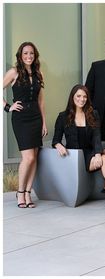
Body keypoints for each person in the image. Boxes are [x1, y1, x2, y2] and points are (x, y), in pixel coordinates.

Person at [52, 84, 105, 210]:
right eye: (78, 96)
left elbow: (97, 136)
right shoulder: (63, 116)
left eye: (84, 97)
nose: (82, 99)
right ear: (72, 97)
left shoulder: (93, 114)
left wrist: (98, 153)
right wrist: (58, 145)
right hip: (76, 156)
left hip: (90, 151)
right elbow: (55, 139)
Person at [3, 41, 47, 208]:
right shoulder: (14, 72)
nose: (29, 56)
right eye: (25, 53)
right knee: (27, 158)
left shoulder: (38, 73)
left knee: (34, 157)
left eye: (31, 53)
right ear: (20, 56)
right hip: (21, 119)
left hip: (36, 117)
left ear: (34, 56)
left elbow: (41, 101)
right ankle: (20, 192)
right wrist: (8, 107)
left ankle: (28, 193)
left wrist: (43, 122)